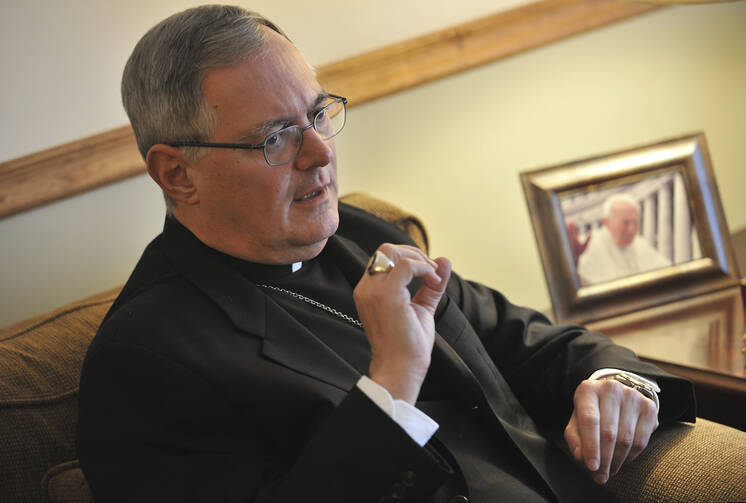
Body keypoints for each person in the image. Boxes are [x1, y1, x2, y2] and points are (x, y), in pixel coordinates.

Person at [76, 6, 695, 503]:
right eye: (274, 137)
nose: (320, 152)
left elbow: (528, 341)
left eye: (317, 114)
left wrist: (620, 381)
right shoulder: (144, 362)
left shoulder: (362, 236)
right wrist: (394, 379)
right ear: (177, 174)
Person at [577, 194, 671, 286]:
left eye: (635, 222)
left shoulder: (640, 244)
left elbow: (667, 272)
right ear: (607, 222)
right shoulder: (589, 245)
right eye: (625, 223)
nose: (631, 229)